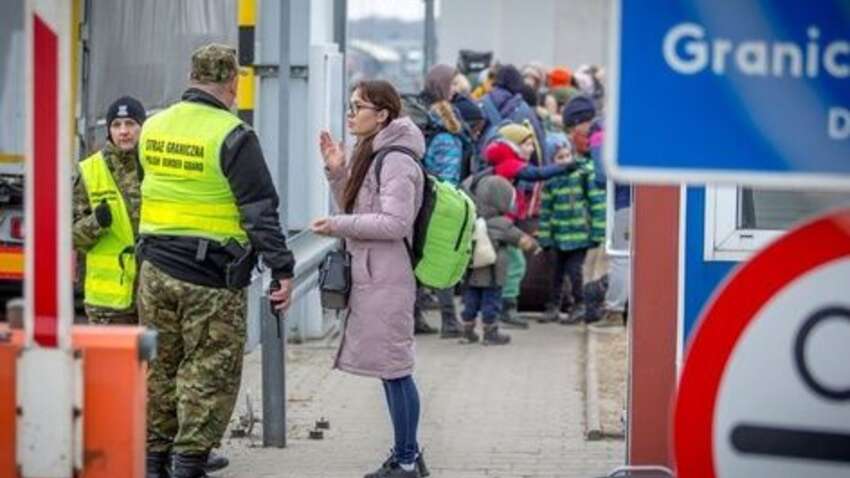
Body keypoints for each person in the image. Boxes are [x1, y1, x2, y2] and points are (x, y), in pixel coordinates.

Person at [137, 44, 295, 478]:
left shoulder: (153, 126)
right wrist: (282, 268)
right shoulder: (234, 134)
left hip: (153, 270)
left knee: (159, 368)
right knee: (209, 372)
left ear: (191, 77)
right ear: (233, 83)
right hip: (210, 277)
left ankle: (152, 462)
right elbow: (260, 211)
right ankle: (188, 463)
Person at [313, 80, 428, 478]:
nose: (350, 113)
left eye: (358, 106)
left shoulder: (396, 159)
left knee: (396, 370)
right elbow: (361, 206)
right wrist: (337, 172)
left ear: (382, 115)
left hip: (387, 277)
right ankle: (407, 453)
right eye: (350, 105)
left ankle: (407, 458)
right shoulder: (375, 152)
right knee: (390, 370)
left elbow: (394, 223)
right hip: (374, 275)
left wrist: (336, 225)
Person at [72, 96, 146, 325]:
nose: (124, 131)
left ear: (143, 127)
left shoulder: (156, 166)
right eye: (116, 125)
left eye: (130, 124)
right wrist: (96, 223)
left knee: (150, 362)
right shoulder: (91, 170)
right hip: (109, 304)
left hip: (153, 296)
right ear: (109, 131)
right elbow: (71, 236)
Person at [413, 63, 471, 338]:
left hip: (427, 201)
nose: (457, 89)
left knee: (419, 258)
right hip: (443, 203)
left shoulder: (429, 127)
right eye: (454, 84)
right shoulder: (447, 137)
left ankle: (415, 318)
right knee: (445, 258)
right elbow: (448, 175)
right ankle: (449, 321)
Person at [460, 174, 540, 345]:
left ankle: (468, 330)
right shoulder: (501, 224)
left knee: (470, 301)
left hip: (472, 272)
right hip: (493, 274)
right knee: (491, 302)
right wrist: (535, 246)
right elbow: (521, 240)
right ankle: (490, 332)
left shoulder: (473, 219)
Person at [537, 133, 605, 324]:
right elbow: (546, 211)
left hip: (580, 235)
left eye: (568, 155)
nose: (565, 161)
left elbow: (597, 204)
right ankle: (553, 306)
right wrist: (545, 237)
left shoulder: (584, 175)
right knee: (556, 273)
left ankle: (580, 304)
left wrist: (598, 231)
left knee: (575, 271)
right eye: (560, 158)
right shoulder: (551, 181)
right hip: (559, 235)